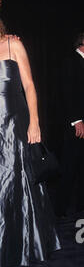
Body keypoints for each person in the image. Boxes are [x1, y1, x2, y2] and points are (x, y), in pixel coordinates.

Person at [0, 0, 61, 267]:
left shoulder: (13, 44)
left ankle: (29, 244)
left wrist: (35, 122)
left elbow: (29, 85)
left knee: (22, 182)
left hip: (17, 124)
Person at [55, 32, 84, 217]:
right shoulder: (71, 61)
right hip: (75, 124)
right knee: (70, 165)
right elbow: (68, 93)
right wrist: (77, 120)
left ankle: (81, 206)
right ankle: (60, 208)